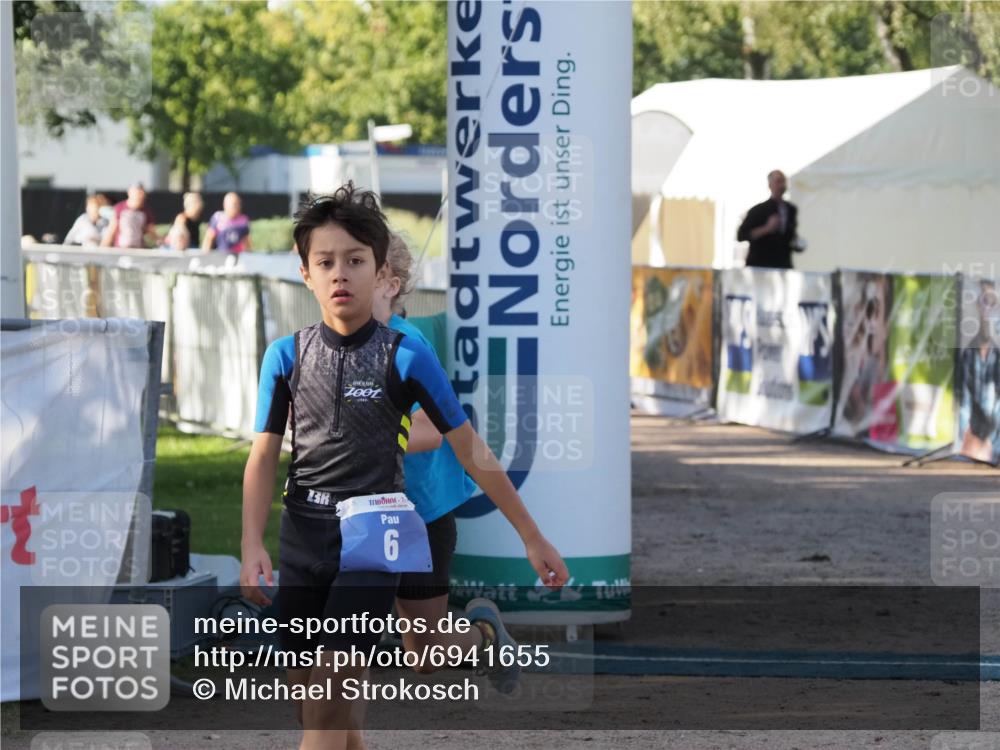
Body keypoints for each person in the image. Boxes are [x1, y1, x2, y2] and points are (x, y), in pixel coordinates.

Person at [240, 184, 568, 750]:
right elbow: (264, 451)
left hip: (382, 531)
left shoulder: (408, 352)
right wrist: (251, 542)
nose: (340, 273)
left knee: (334, 691)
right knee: (311, 701)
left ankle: (481, 637)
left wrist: (532, 535)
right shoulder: (285, 355)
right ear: (305, 273)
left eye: (355, 261)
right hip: (304, 535)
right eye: (326, 262)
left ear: (381, 273)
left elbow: (468, 447)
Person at [371, 234, 487, 677]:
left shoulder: (408, 343)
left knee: (425, 655)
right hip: (368, 512)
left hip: (422, 516)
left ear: (390, 284)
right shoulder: (341, 343)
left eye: (361, 264)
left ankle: (483, 634)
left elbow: (430, 431)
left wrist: (356, 440)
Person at [958, 279, 1000, 464]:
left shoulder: (996, 357)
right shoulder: (966, 355)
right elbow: (962, 406)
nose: (986, 310)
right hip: (971, 446)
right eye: (982, 302)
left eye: (991, 302)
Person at [737, 170, 800, 269]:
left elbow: (790, 236)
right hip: (760, 264)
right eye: (778, 181)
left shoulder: (791, 209)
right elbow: (741, 235)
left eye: (783, 181)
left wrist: (797, 243)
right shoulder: (758, 210)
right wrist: (766, 229)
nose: (781, 185)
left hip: (782, 264)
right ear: (770, 185)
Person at [102, 182, 158, 249]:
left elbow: (151, 232)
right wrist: (102, 248)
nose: (140, 196)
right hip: (121, 249)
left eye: (142, 193)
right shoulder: (119, 208)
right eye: (138, 193)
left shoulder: (146, 211)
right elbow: (111, 230)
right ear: (130, 193)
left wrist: (162, 241)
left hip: (138, 249)